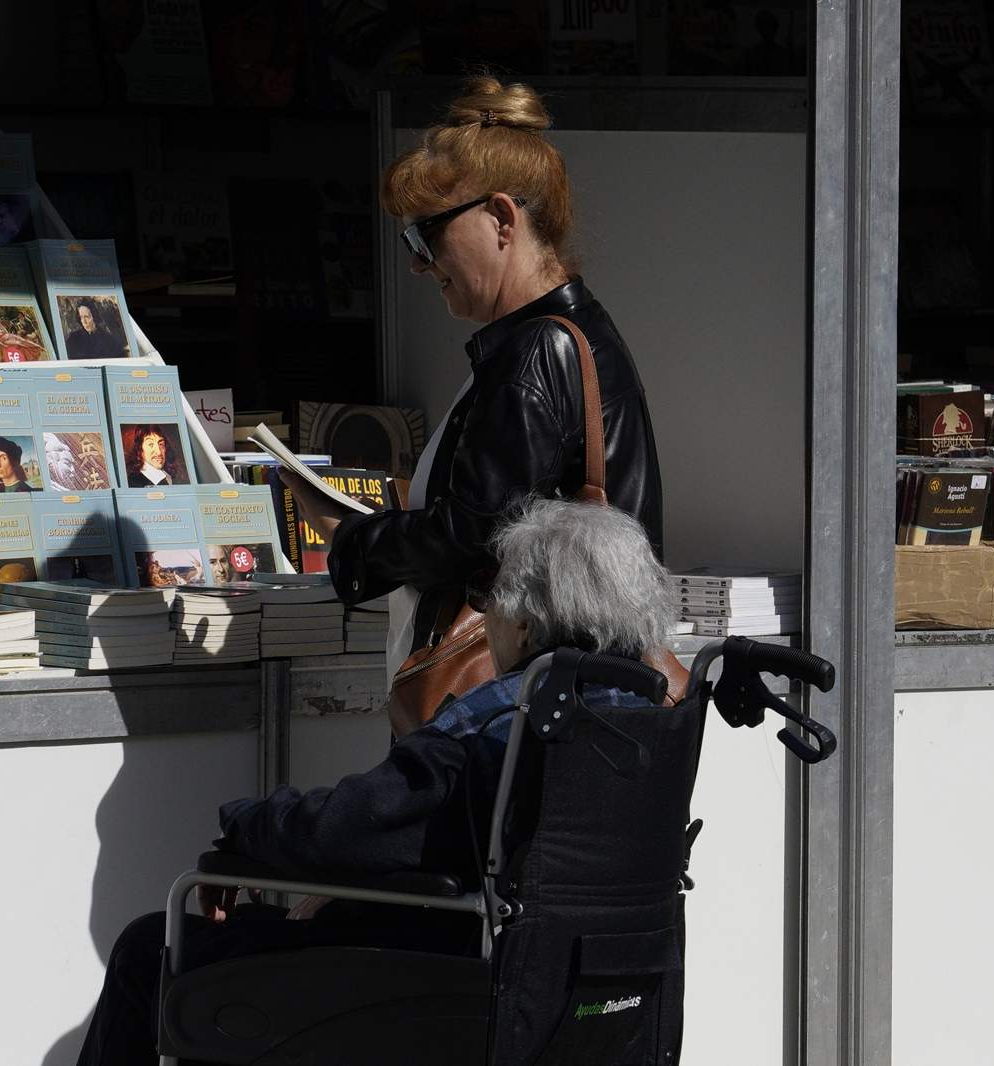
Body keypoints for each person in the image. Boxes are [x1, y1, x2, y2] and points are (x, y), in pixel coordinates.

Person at [74, 498, 675, 1066]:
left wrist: (241, 826)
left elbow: (344, 828)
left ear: (524, 625)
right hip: (585, 990)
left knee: (150, 949)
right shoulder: (650, 721)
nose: (484, 613)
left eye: (487, 598)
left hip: (438, 980)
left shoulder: (498, 722)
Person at [283, 75, 663, 690]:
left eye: (425, 234)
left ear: (500, 219)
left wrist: (353, 540)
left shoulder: (535, 352)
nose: (415, 261)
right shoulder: (580, 331)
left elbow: (472, 535)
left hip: (518, 708)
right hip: (574, 696)